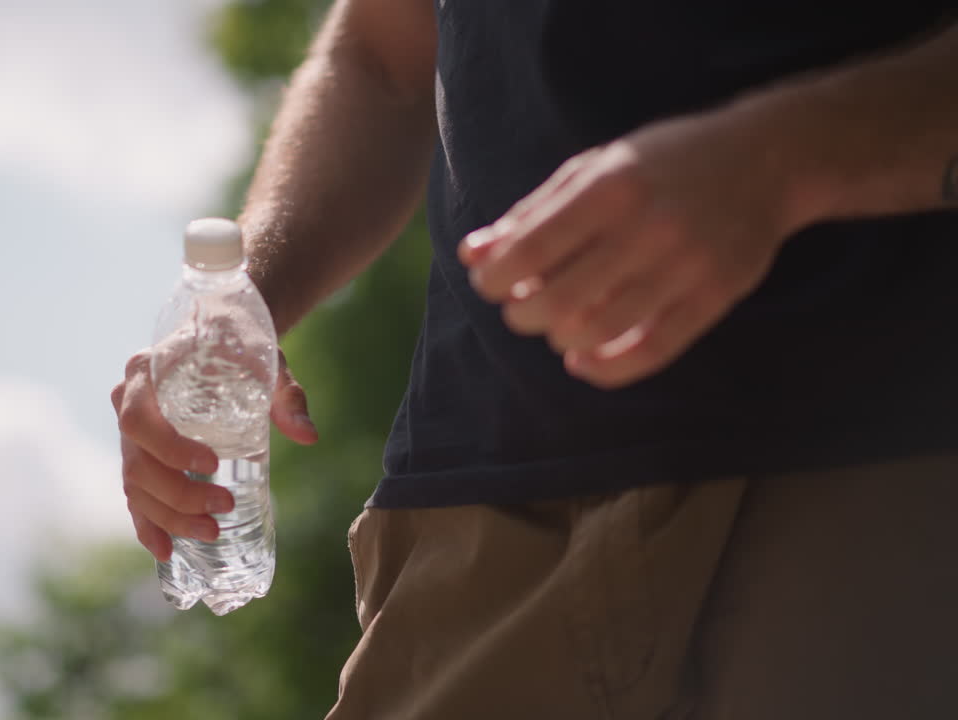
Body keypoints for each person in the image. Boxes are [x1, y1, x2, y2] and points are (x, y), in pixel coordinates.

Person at [112, 1, 958, 717]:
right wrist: (244, 298)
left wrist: (779, 163)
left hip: (880, 463)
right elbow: (382, 57)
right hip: (476, 517)